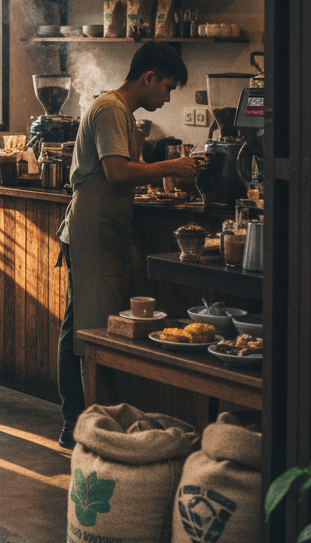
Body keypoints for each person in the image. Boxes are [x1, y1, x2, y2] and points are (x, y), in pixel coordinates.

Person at [56, 42, 202, 449]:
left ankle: (77, 421)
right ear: (148, 77)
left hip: (102, 227)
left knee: (79, 326)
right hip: (93, 228)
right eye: (168, 87)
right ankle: (86, 425)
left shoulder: (120, 113)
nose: (168, 97)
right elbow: (117, 173)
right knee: (93, 331)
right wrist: (172, 167)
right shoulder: (109, 110)